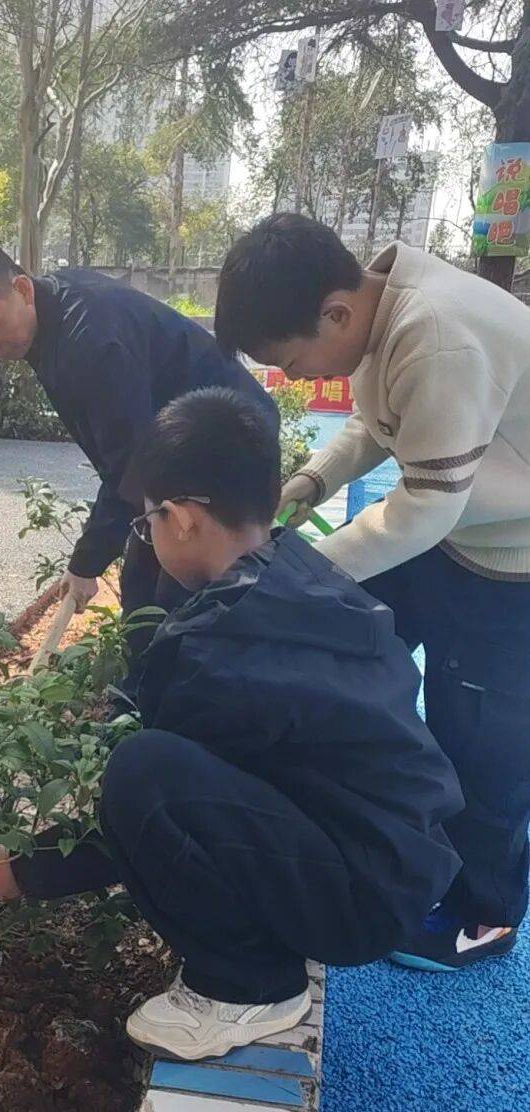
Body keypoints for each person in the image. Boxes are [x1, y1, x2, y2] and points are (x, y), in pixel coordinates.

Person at [0, 388, 461, 1060]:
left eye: (145, 522)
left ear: (180, 518)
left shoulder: (217, 646)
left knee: (141, 770)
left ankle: (247, 988)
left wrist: (27, 873)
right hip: (395, 864)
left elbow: (153, 806)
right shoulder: (300, 572)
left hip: (355, 902)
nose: (147, 537)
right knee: (160, 766)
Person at [213, 213, 530, 972]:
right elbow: (373, 424)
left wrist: (295, 572)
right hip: (458, 532)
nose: (293, 379)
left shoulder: (438, 336)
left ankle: (486, 912)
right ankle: (382, 825)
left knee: (483, 740)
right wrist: (307, 483)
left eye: (291, 361)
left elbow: (423, 509)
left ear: (334, 313)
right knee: (350, 639)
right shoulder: (380, 306)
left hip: (512, 560)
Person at [0, 243, 277, 667]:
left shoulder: (91, 342)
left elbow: (131, 464)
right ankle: (150, 683)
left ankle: (177, 688)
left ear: (22, 289)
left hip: (227, 445)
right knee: (147, 588)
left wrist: (87, 562)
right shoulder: (51, 314)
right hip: (180, 446)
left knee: (174, 596)